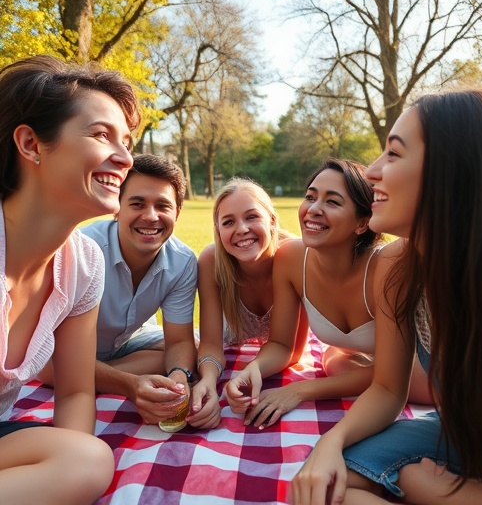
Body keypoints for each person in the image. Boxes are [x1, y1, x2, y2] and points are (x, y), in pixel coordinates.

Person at [290, 90, 482, 505]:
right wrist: (330, 443)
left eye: (393, 154)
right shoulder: (400, 266)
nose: (372, 171)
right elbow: (390, 387)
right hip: (469, 436)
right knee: (328, 488)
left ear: (453, 171)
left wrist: (422, 484)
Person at [0, 54, 140, 504]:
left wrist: (66, 481)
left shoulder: (83, 264)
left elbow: (78, 390)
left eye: (127, 141)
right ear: (31, 144)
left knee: (88, 459)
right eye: (102, 135)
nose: (125, 158)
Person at [224, 159, 431, 429]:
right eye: (310, 197)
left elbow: (390, 380)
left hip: (429, 370)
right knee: (334, 361)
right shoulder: (290, 257)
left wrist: (298, 390)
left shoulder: (386, 265)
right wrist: (254, 368)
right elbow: (282, 345)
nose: (313, 209)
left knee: (338, 363)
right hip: (371, 365)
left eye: (332, 202)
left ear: (362, 222)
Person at [80, 154, 197, 426]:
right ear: (117, 208)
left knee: (193, 349)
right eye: (137, 203)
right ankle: (88, 375)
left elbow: (179, 341)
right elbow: (54, 359)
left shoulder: (183, 261)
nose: (151, 216)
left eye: (163, 206)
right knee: (55, 366)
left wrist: (179, 377)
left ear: (177, 213)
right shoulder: (84, 250)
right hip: (69, 351)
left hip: (128, 344)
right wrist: (131, 385)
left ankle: (91, 376)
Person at [188, 177, 309, 429]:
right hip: (229, 346)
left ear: (272, 221)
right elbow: (210, 343)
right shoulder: (211, 261)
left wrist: (253, 368)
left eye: (252, 217)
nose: (241, 229)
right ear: (218, 230)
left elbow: (293, 350)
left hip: (277, 357)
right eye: (229, 222)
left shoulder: (295, 257)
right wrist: (209, 380)